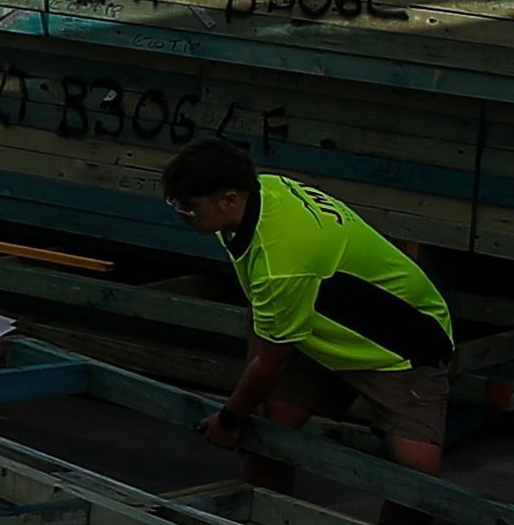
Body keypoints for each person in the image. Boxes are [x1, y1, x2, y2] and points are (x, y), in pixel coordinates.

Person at [164, 136, 457, 475]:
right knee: (271, 434)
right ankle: (265, 520)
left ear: (229, 200)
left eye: (189, 208)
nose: (182, 215)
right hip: (317, 321)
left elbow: (271, 360)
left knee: (417, 474)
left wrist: (228, 419)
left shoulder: (281, 263)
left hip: (399, 340)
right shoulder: (261, 190)